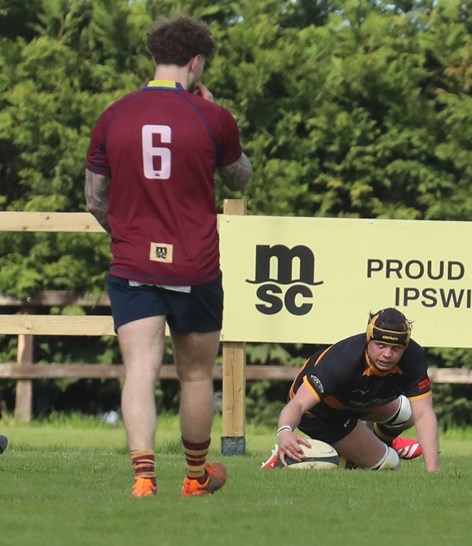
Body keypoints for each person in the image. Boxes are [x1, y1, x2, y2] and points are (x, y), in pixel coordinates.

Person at [85, 16, 252, 497]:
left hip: (133, 263)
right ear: (196, 63)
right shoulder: (212, 117)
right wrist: (216, 114)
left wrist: (126, 236)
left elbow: (94, 198)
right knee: (195, 374)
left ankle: (143, 478)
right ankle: (196, 477)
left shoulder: (114, 114)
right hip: (194, 265)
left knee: (139, 370)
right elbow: (238, 178)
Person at [263, 307, 440, 472]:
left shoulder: (413, 357)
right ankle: (287, 459)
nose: (387, 354)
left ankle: (381, 444)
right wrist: (285, 431)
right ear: (368, 339)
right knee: (390, 463)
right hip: (320, 413)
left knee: (407, 412)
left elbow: (424, 415)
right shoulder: (342, 360)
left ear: (405, 347)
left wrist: (433, 473)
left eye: (396, 348)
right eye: (380, 345)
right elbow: (299, 404)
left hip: (357, 400)